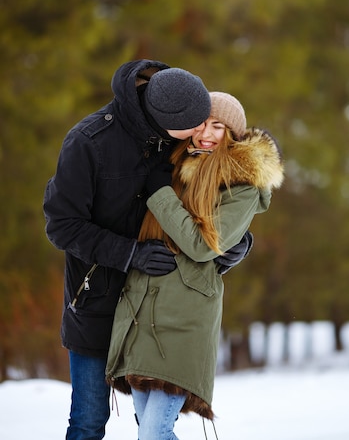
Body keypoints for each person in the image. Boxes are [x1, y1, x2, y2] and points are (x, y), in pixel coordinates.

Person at [43, 60, 252, 440]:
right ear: (164, 119)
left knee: (152, 426)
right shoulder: (88, 142)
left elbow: (211, 205)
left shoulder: (178, 134)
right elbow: (62, 225)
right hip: (99, 298)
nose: (201, 133)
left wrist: (240, 241)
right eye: (196, 125)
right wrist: (129, 254)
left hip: (157, 302)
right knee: (88, 419)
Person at [106, 91, 284, 440]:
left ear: (231, 133)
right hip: (143, 311)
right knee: (149, 429)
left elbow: (203, 246)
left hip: (185, 318)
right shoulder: (169, 167)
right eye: (202, 123)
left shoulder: (242, 185)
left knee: (154, 433)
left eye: (217, 126)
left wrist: (159, 193)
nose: (206, 132)